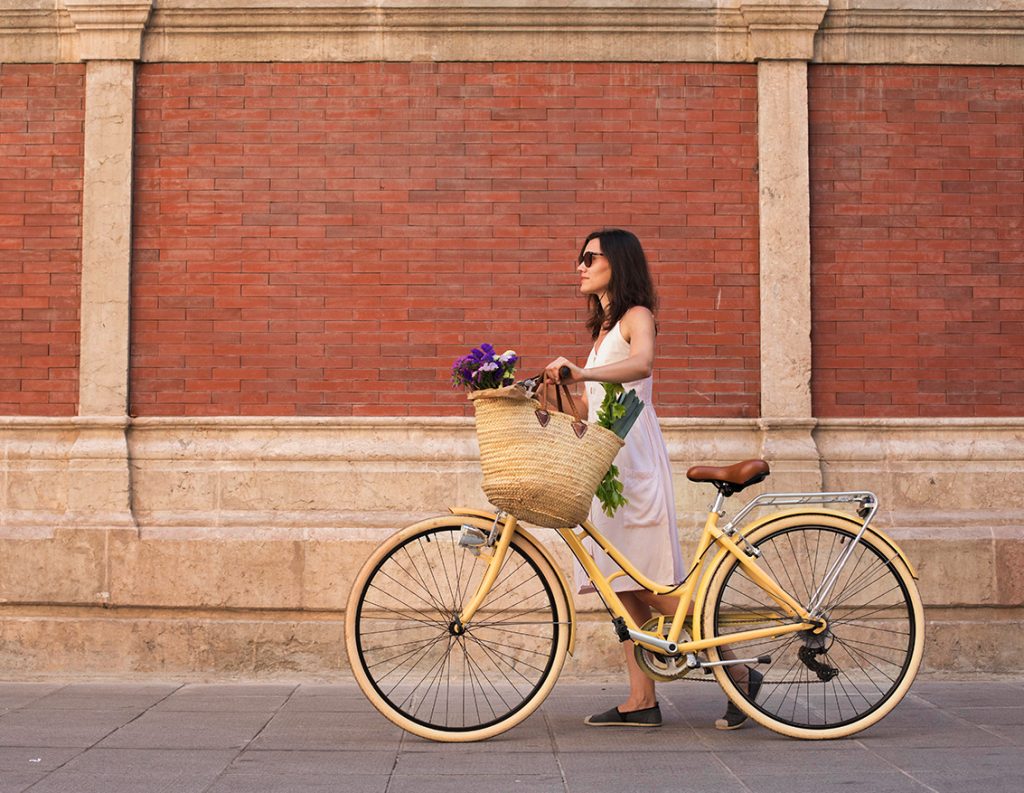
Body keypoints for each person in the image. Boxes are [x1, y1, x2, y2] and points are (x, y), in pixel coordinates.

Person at [544, 228, 759, 730]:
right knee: (618, 583)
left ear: (617, 263)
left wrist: (582, 373)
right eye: (580, 258)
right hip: (605, 459)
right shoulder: (600, 332)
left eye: (589, 257)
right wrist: (553, 397)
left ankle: (739, 673)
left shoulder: (636, 317)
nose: (580, 265)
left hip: (633, 456)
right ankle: (642, 699)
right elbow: (590, 405)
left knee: (653, 584)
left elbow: (642, 363)